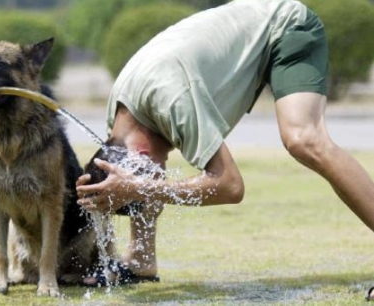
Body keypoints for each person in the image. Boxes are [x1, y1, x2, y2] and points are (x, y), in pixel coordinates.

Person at [76, 0, 374, 292]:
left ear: (140, 155)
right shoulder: (120, 121)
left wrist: (139, 188)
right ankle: (141, 259)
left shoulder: (172, 99)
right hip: (250, 29)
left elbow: (231, 186)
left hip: (286, 24)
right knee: (141, 180)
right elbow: (141, 177)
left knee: (304, 139)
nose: (152, 177)